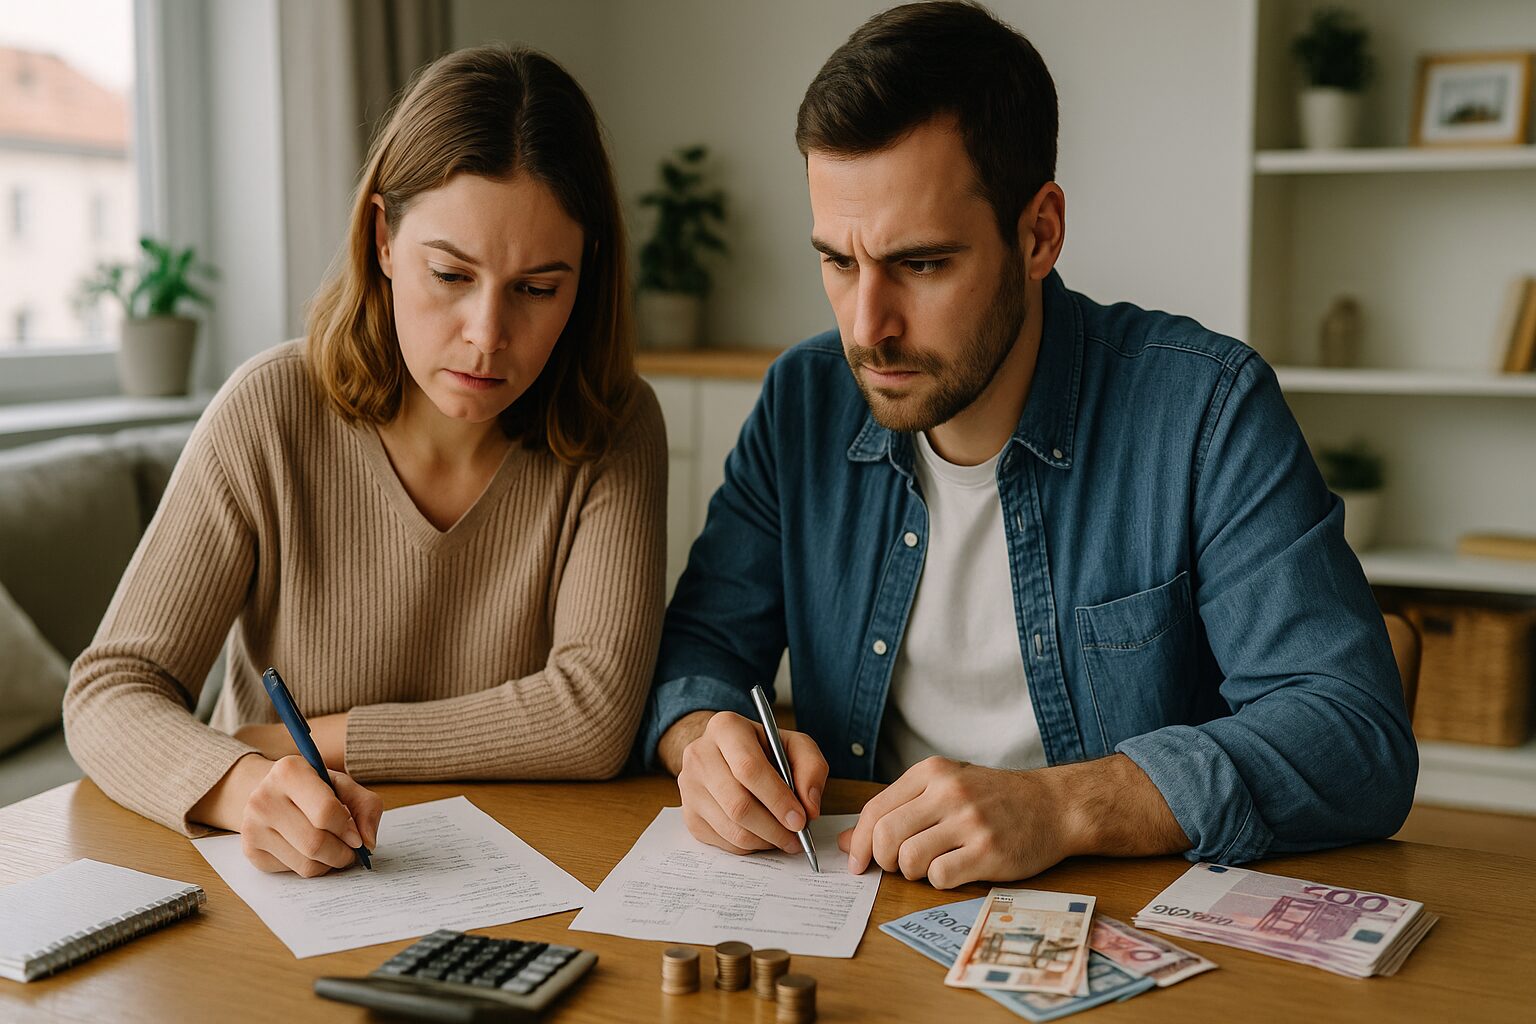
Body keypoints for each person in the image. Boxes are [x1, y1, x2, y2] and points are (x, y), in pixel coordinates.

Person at [635, 1, 1416, 889]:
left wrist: (1063, 806)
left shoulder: (1205, 411)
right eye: (840, 262)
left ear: (1039, 233)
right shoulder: (802, 402)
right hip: (865, 910)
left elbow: (1354, 734)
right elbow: (699, 651)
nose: (867, 328)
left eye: (921, 264)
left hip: (1122, 916)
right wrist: (704, 740)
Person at [64, 45, 667, 876]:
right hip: (283, 887)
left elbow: (594, 718)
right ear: (383, 238)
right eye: (450, 274)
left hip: (530, 877)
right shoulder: (269, 412)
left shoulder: (615, 424)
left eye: (537, 288)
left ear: (585, 274)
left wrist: (319, 739)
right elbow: (111, 689)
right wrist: (246, 784)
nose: (487, 335)